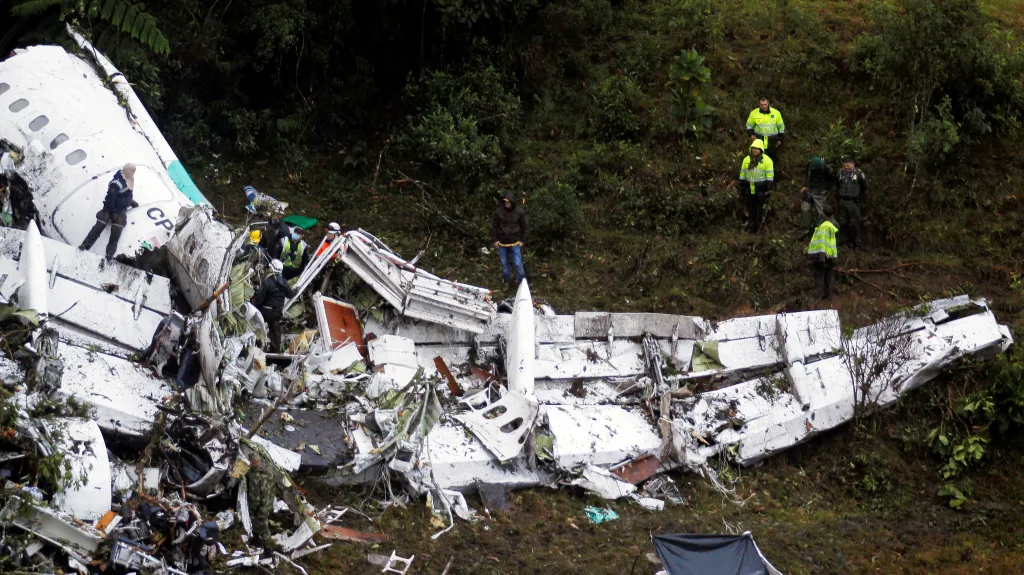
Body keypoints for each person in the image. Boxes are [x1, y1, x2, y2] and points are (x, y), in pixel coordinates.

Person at [79, 163, 139, 259]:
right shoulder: (116, 183)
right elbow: (110, 199)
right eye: (132, 171)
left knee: (118, 227)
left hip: (120, 208)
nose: (133, 173)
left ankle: (110, 253)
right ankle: (85, 245)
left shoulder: (129, 179)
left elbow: (127, 194)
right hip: (111, 207)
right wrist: (113, 212)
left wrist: (130, 202)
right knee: (101, 222)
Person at [251, 259, 295, 352]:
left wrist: (255, 302)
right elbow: (290, 294)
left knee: (254, 325)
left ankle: (255, 344)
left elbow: (259, 299)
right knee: (275, 332)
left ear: (272, 268)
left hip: (266, 311)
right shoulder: (285, 282)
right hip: (277, 312)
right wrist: (297, 289)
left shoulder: (267, 282)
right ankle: (275, 350)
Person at [737, 139, 775, 233]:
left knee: (760, 210)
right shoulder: (746, 159)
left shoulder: (767, 161)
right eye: (753, 148)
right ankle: (751, 227)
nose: (755, 150)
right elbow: (743, 173)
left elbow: (770, 176)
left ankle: (760, 228)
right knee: (750, 208)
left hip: (761, 189)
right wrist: (742, 184)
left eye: (757, 149)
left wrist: (768, 188)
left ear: (761, 150)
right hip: (749, 188)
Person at [491, 191, 527, 286]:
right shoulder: (498, 212)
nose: (507, 204)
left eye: (508, 202)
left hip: (515, 242)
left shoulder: (519, 212)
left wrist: (522, 240)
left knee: (518, 263)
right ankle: (506, 282)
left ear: (512, 202)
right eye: (505, 202)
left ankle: (522, 283)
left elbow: (524, 227)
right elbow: (494, 226)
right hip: (502, 243)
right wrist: (495, 240)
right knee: (504, 264)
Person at [246, 453, 279, 551]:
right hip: (269, 501)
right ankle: (256, 540)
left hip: (262, 507)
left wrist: (251, 511)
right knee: (258, 524)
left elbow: (255, 499)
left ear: (251, 462)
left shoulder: (256, 478)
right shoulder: (268, 469)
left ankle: (269, 550)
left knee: (263, 528)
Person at [807, 205, 839, 299]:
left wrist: (821, 257)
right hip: (832, 255)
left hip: (823, 256)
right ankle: (829, 297)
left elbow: (822, 243)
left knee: (820, 276)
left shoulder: (823, 226)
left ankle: (818, 298)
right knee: (830, 277)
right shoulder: (835, 225)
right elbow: (834, 242)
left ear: (824, 215)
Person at [835, 155, 868, 248]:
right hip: (842, 201)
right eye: (845, 165)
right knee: (842, 222)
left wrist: (859, 197)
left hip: (853, 201)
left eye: (848, 165)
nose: (846, 167)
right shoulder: (840, 173)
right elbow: (837, 185)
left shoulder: (858, 174)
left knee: (855, 223)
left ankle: (857, 243)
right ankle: (843, 242)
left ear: (853, 164)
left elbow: (864, 187)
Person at [800, 156, 833, 238]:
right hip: (810, 189)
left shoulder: (826, 168)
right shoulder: (809, 165)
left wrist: (825, 190)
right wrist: (805, 186)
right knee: (805, 208)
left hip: (821, 191)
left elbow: (830, 181)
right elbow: (807, 175)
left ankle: (821, 232)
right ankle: (805, 231)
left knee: (821, 212)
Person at [745, 97, 785, 162]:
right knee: (758, 159)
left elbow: (781, 127)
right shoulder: (754, 113)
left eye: (765, 104)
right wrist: (751, 135)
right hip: (759, 140)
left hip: (772, 140)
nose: (764, 106)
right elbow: (749, 125)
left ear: (768, 103)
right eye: (762, 105)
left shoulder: (776, 113)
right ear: (759, 104)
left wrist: (780, 139)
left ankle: (772, 171)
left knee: (772, 159)